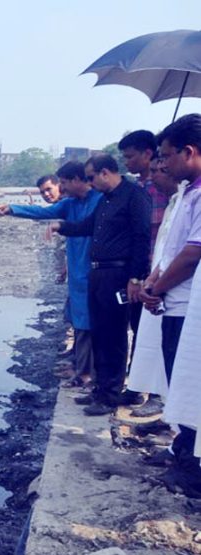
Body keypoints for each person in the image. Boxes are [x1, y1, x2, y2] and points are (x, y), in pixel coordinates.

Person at [49, 154, 150, 415]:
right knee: (99, 334)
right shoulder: (105, 200)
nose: (90, 182)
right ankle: (99, 389)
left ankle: (110, 396)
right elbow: (87, 226)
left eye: (92, 177)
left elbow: (141, 238)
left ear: (105, 172)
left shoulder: (134, 196)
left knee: (114, 336)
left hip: (118, 275)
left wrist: (135, 278)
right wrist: (62, 226)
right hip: (98, 274)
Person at [135, 114, 201, 491]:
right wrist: (153, 282)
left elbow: (193, 254)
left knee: (191, 380)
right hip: (172, 303)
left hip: (188, 305)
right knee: (179, 379)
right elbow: (171, 249)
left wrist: (157, 289)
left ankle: (191, 466)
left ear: (189, 152)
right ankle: (182, 449)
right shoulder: (186, 193)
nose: (162, 164)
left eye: (167, 156)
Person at [0, 165, 101, 387]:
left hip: (96, 270)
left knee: (91, 324)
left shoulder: (100, 200)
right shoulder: (70, 204)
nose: (59, 188)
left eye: (62, 183)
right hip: (77, 270)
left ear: (76, 180)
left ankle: (88, 373)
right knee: (80, 322)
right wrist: (13, 209)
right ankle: (83, 370)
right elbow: (43, 213)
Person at [118, 130, 165, 404]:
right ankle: (136, 386)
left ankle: (157, 394)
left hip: (160, 271)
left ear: (148, 154)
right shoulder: (134, 189)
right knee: (138, 326)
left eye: (131, 156)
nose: (127, 162)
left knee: (159, 330)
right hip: (139, 268)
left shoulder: (166, 190)